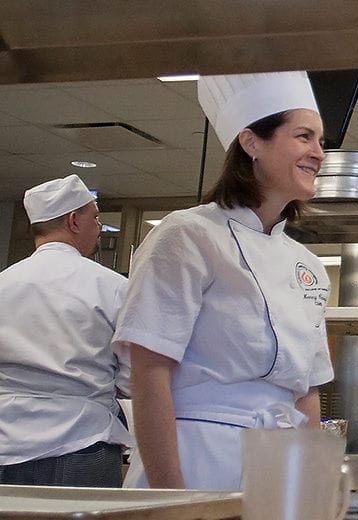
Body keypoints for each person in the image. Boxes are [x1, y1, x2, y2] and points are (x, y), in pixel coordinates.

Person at [113, 71, 332, 490]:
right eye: (304, 136)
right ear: (252, 143)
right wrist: (171, 500)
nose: (318, 153)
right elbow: (150, 374)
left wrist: (313, 489)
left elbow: (306, 393)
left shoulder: (307, 264)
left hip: (279, 467)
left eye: (321, 141)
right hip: (197, 454)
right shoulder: (187, 235)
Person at [0, 175, 133, 487]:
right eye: (96, 217)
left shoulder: (4, 283)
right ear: (74, 221)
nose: (99, 227)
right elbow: (133, 378)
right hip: (81, 443)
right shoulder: (111, 286)